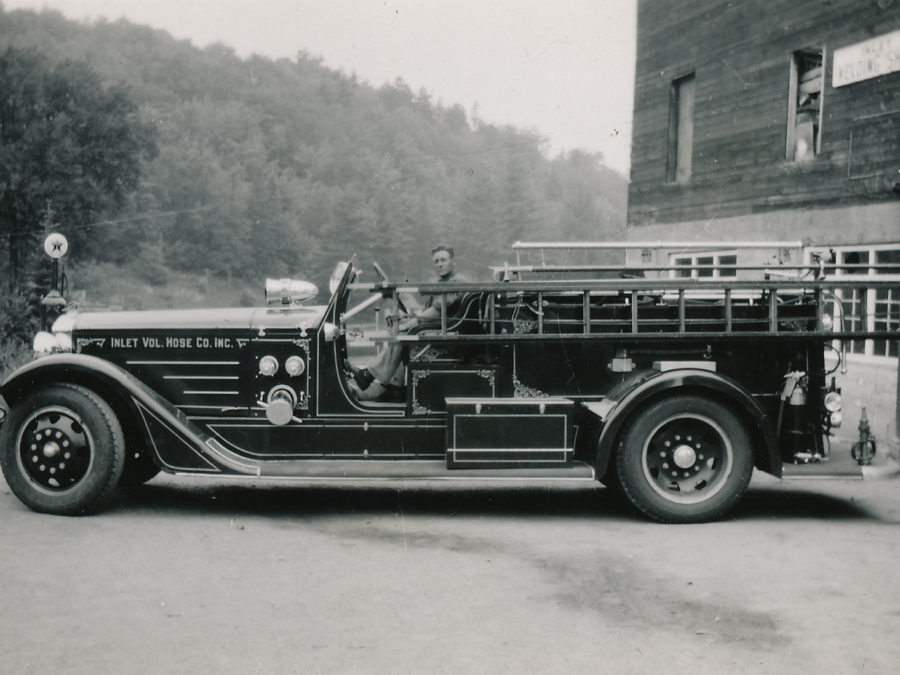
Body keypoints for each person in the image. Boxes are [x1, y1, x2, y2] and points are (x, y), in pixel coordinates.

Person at [348, 245, 468, 401]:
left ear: (453, 262)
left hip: (446, 330)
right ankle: (393, 385)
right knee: (399, 328)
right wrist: (408, 320)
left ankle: (371, 375)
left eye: (443, 260)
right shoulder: (444, 282)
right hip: (441, 326)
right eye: (436, 261)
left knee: (402, 333)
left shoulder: (456, 282)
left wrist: (407, 324)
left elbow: (437, 312)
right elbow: (433, 311)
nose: (439, 264)